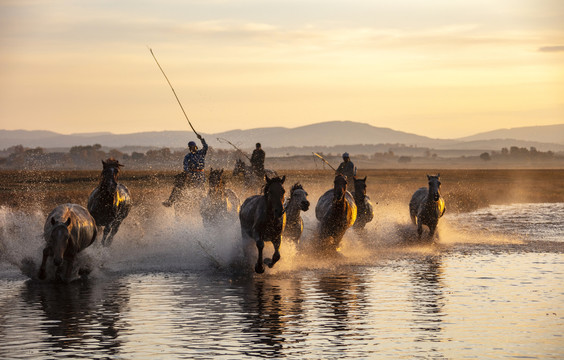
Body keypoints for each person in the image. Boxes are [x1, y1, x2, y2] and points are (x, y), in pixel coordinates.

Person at [163, 134, 208, 207]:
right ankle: (170, 201)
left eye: (192, 147)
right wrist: (187, 172)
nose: (191, 148)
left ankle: (206, 204)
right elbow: (185, 165)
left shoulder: (201, 153)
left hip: (200, 175)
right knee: (178, 185)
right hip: (191, 174)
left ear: (196, 147)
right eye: (190, 147)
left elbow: (206, 147)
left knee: (202, 190)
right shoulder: (188, 156)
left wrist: (201, 139)